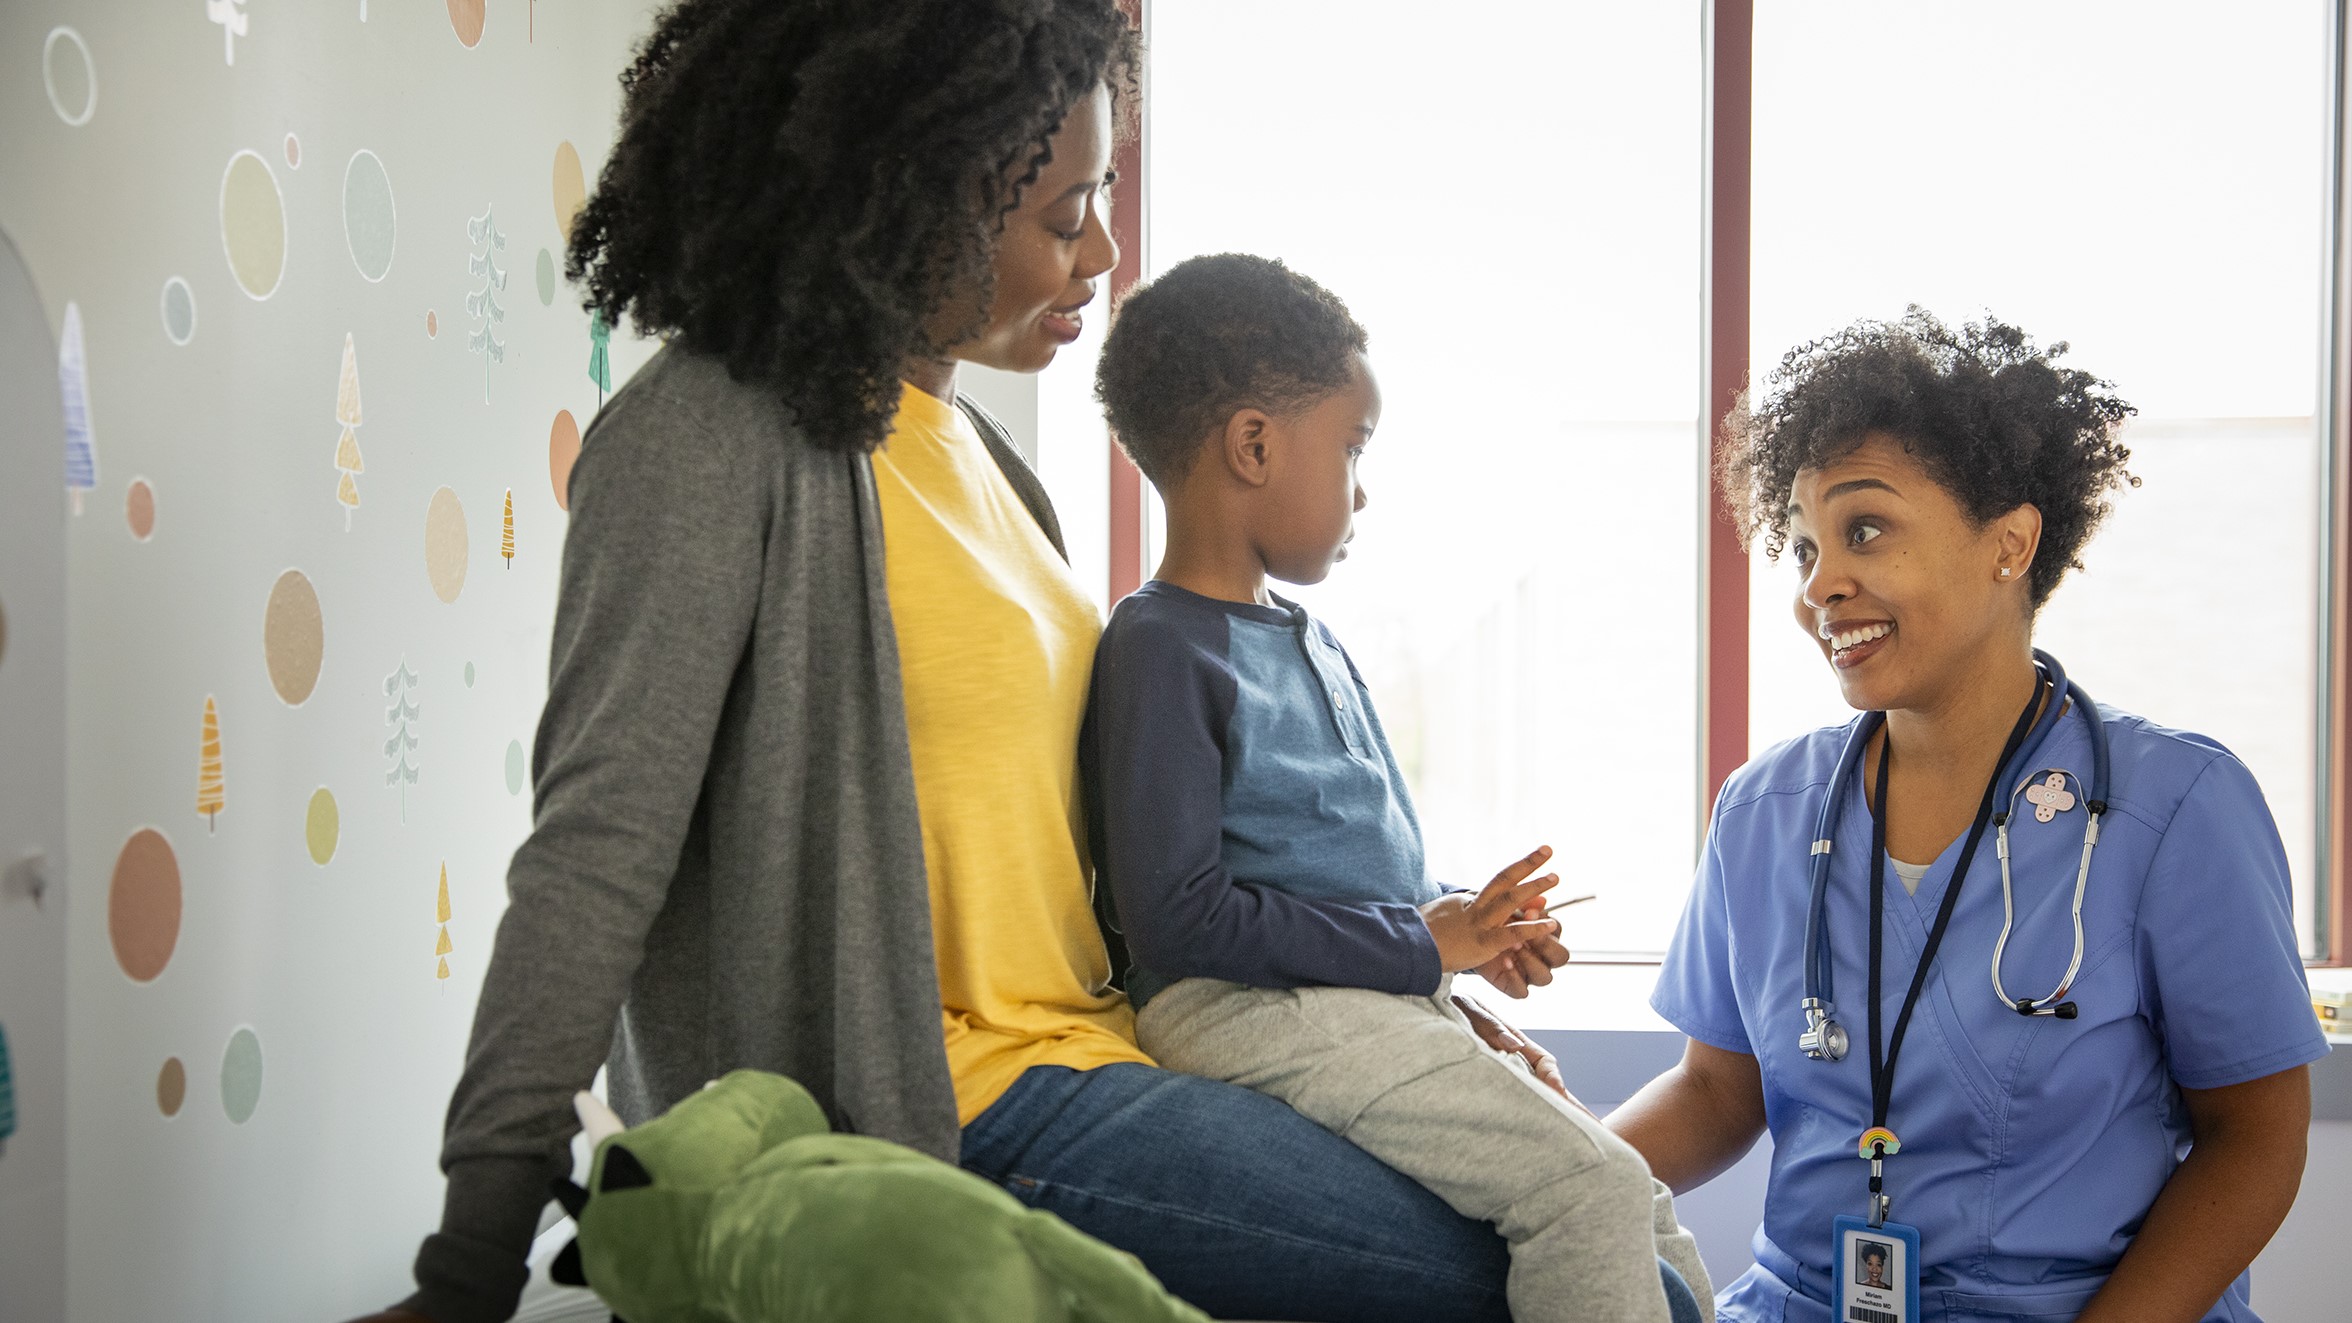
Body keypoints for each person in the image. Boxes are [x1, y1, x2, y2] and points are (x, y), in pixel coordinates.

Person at [342, 5, 1562, 1321]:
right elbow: (593, 854)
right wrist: (467, 1266)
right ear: (899, 193)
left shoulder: (1003, 476)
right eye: (1063, 213)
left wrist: (1405, 1013)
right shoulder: (707, 434)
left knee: (1592, 1220)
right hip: (954, 1108)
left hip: (1112, 1054)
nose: (1102, 251)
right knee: (1528, 1264)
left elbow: (1135, 876)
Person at [1598, 309, 2325, 1323]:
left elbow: (2256, 1134)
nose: (1820, 585)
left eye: (1864, 530)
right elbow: (1719, 1095)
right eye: (1803, 545)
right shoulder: (1765, 810)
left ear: (2011, 544)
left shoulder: (2175, 807)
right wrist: (1555, 1175)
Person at [1082, 253, 1710, 1323]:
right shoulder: (1159, 648)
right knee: (1583, 1191)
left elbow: (1336, 873)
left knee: (1636, 1193)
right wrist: (1427, 946)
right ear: (1253, 444)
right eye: (1353, 448)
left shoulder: (1307, 639)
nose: (1362, 487)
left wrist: (1466, 954)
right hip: (1244, 1014)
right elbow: (1177, 918)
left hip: (1348, 1001)